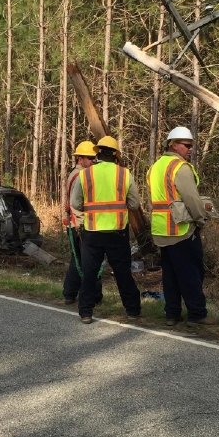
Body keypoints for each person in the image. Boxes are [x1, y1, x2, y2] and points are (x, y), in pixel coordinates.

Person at [147, 127, 219, 327]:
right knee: (191, 273)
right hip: (182, 230)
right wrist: (200, 220)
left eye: (191, 146)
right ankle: (197, 314)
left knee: (170, 274)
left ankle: (172, 314)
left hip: (161, 230)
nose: (190, 150)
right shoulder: (180, 167)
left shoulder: (155, 167)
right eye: (187, 145)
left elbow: (154, 199)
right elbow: (192, 199)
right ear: (174, 145)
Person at [70, 135, 142, 324]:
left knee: (89, 273)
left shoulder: (85, 174)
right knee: (123, 273)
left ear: (98, 153)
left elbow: (75, 203)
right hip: (117, 233)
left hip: (92, 232)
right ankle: (133, 310)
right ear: (116, 155)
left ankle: (86, 312)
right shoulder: (124, 174)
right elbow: (134, 204)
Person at [62, 141, 103, 306]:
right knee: (90, 262)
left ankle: (69, 293)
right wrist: (81, 227)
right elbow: (76, 204)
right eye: (90, 158)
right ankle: (93, 296)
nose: (93, 161)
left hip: (75, 224)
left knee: (78, 260)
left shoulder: (76, 173)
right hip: (80, 225)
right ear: (80, 158)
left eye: (95, 158)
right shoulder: (80, 176)